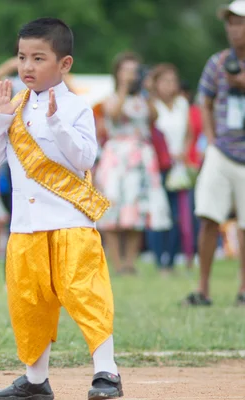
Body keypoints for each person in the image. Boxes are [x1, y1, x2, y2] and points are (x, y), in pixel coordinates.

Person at [0, 18, 122, 400]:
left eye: (39, 58)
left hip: (69, 223)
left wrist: (57, 121)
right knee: (29, 303)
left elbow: (84, 157)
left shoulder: (78, 108)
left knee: (86, 295)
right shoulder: (13, 106)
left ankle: (106, 372)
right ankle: (35, 379)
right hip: (25, 228)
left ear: (64, 64)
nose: (27, 66)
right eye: (22, 57)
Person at [184, 0, 245, 306]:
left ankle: (244, 290)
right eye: (231, 23)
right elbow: (203, 102)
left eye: (240, 22)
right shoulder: (218, 62)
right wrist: (209, 139)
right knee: (208, 217)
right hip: (221, 150)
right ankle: (203, 288)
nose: (235, 29)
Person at [95, 52, 171, 274]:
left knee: (137, 209)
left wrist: (146, 90)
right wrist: (123, 88)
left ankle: (130, 263)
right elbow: (115, 114)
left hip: (140, 155)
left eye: (134, 70)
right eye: (126, 70)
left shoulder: (142, 99)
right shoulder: (111, 97)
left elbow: (154, 117)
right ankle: (117, 262)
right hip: (117, 155)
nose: (131, 74)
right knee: (112, 207)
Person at [147, 64, 196, 273]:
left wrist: (184, 151)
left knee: (179, 213)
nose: (169, 86)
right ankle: (159, 260)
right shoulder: (152, 105)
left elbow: (189, 131)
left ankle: (172, 259)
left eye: (172, 81)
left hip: (177, 165)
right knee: (159, 212)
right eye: (165, 81)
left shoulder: (182, 103)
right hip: (158, 165)